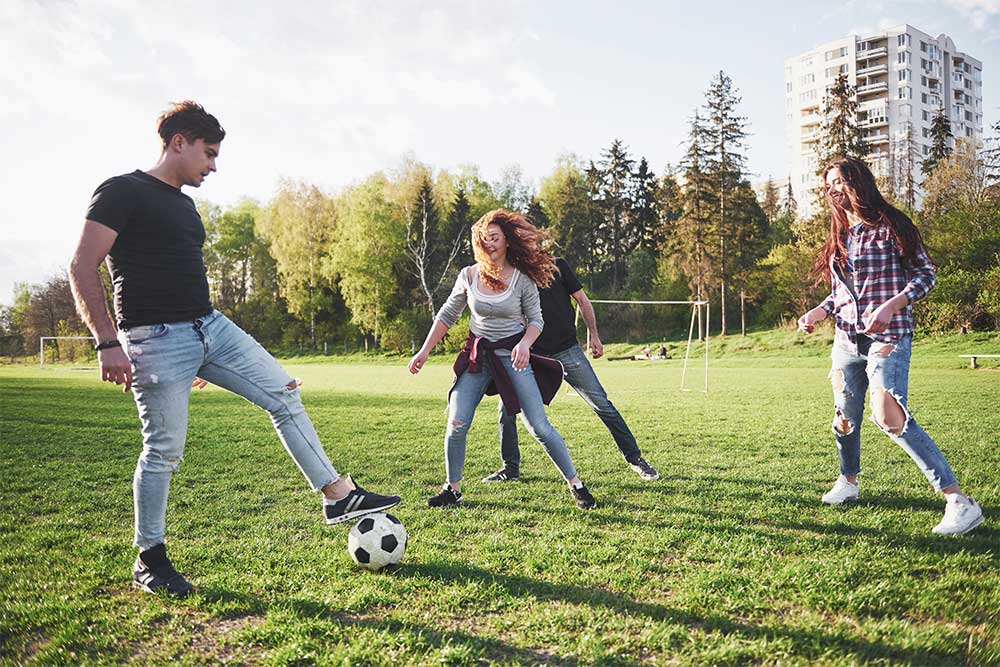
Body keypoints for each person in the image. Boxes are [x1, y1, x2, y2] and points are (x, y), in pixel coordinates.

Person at [68, 101, 401, 597]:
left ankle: (339, 496)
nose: (213, 165)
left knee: (284, 394)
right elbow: (81, 266)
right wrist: (107, 342)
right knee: (163, 451)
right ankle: (150, 559)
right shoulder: (121, 191)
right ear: (178, 141)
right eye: (209, 153)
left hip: (211, 329)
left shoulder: (184, 203)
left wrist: (204, 354)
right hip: (154, 340)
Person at [797, 156, 983, 535]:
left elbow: (926, 275)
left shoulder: (892, 225)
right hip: (847, 339)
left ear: (859, 183)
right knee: (844, 420)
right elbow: (840, 294)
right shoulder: (842, 235)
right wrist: (818, 311)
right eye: (828, 183)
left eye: (839, 181)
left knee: (888, 415)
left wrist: (892, 304)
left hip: (889, 336)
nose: (832, 189)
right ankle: (848, 482)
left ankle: (958, 502)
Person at [408, 210, 595, 510]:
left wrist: (525, 344)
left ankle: (576, 485)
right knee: (456, 422)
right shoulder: (468, 275)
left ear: (507, 240)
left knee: (539, 427)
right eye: (484, 239)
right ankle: (452, 489)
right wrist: (425, 350)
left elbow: (536, 320)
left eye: (494, 238)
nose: (489, 244)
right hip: (478, 358)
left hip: (514, 358)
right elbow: (447, 315)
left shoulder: (522, 279)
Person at [483, 257, 660, 483]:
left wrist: (594, 336)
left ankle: (635, 459)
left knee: (602, 405)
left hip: (567, 350)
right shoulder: (514, 275)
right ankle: (510, 468)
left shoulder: (556, 266)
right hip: (533, 355)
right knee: (506, 408)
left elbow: (582, 301)